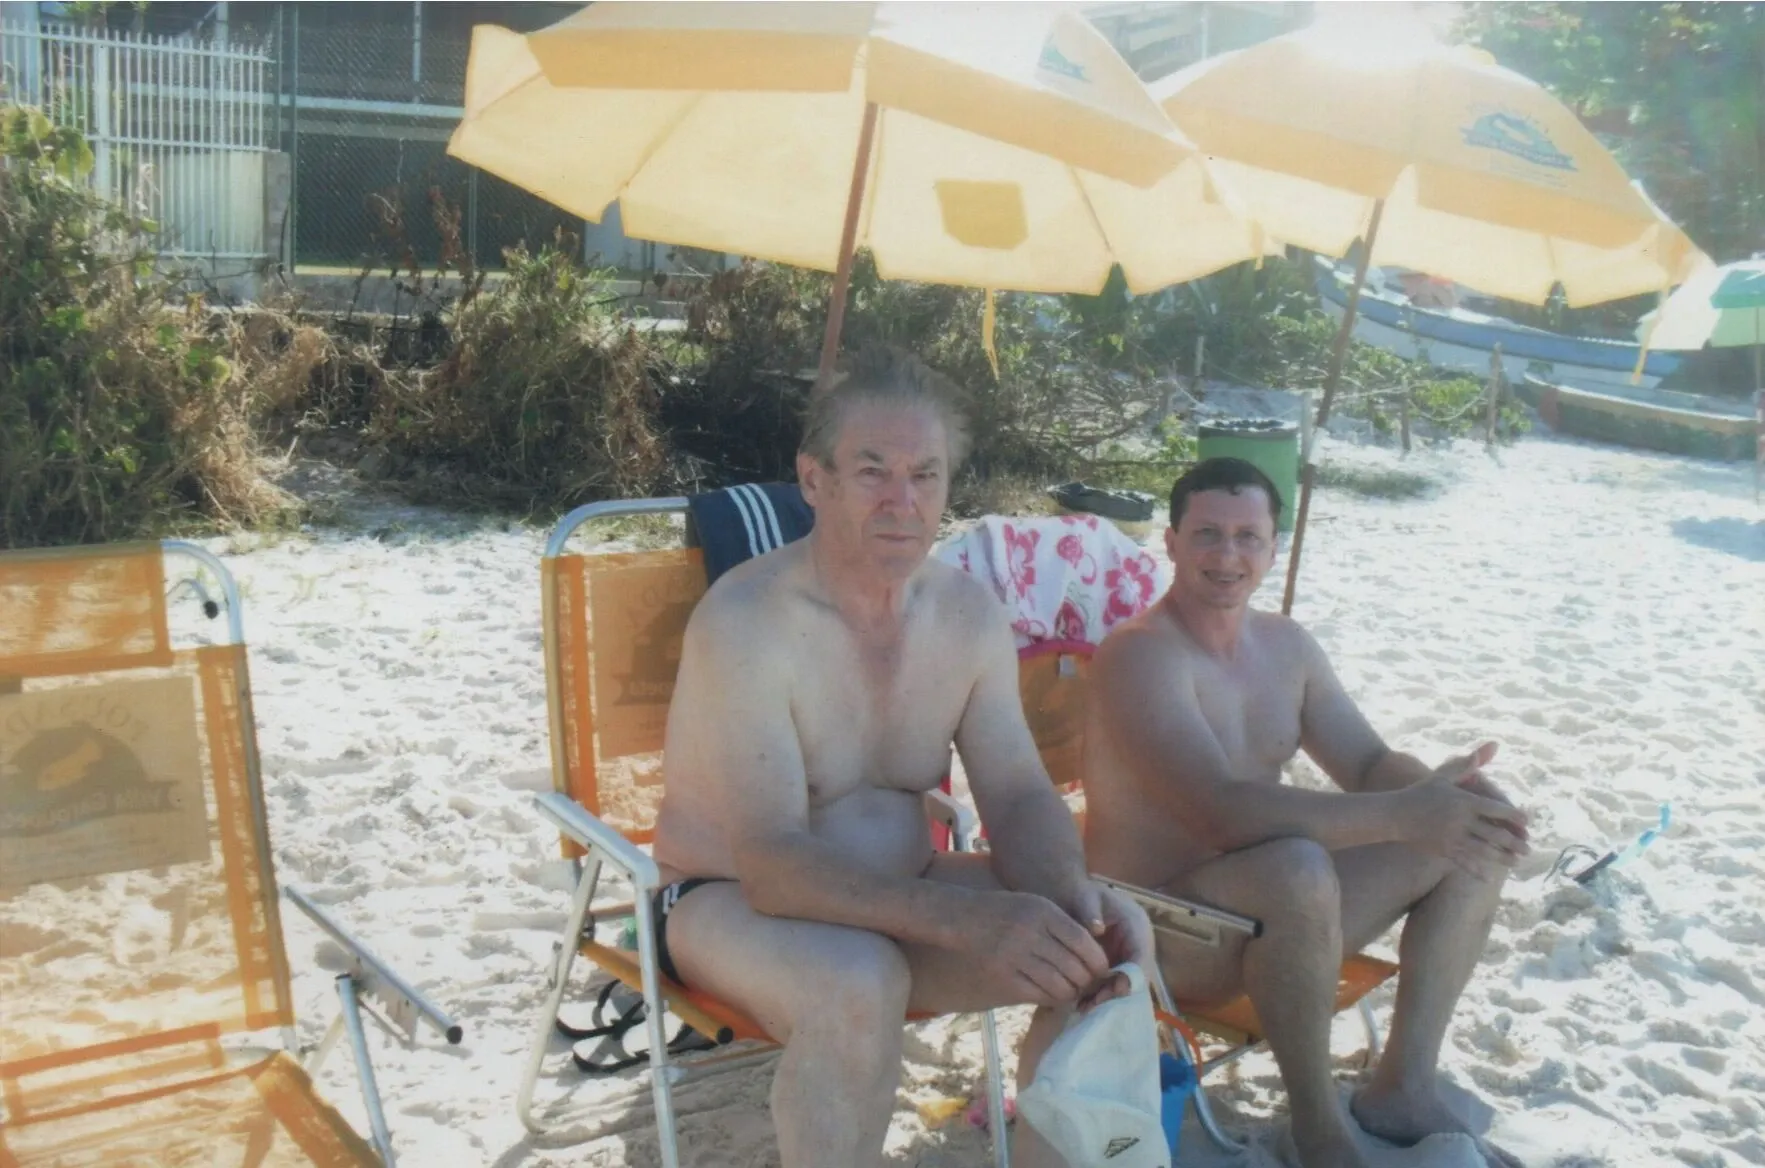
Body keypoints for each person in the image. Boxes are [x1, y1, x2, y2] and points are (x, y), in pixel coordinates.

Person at [650, 346, 1154, 1168]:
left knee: (1090, 945)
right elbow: (773, 865)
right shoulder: (746, 623)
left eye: (925, 475)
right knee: (858, 983)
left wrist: (1070, 900)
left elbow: (1021, 797)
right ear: (814, 479)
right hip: (728, 903)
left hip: (904, 896)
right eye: (872, 471)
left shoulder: (966, 615)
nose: (901, 501)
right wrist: (970, 919)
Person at [1084, 457, 1530, 1168]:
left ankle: (1401, 1085)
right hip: (1160, 928)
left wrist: (1445, 800)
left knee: (1469, 833)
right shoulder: (1140, 656)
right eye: (1206, 534)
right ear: (1169, 543)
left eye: (1246, 537)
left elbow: (1366, 766)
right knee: (1296, 865)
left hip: (1275, 918)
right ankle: (1317, 1127)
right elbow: (1219, 816)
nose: (1226, 556)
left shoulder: (1285, 646)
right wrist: (1404, 815)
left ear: (1272, 547)